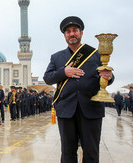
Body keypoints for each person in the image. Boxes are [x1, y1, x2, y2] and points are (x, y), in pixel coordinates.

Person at [43, 16, 114, 163]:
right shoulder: (57, 57)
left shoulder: (95, 54)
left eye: (75, 30)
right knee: (68, 153)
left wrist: (109, 76)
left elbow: (108, 77)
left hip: (91, 109)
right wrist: (64, 72)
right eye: (68, 31)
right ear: (64, 36)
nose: (72, 34)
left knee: (91, 152)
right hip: (66, 110)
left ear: (81, 33)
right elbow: (48, 78)